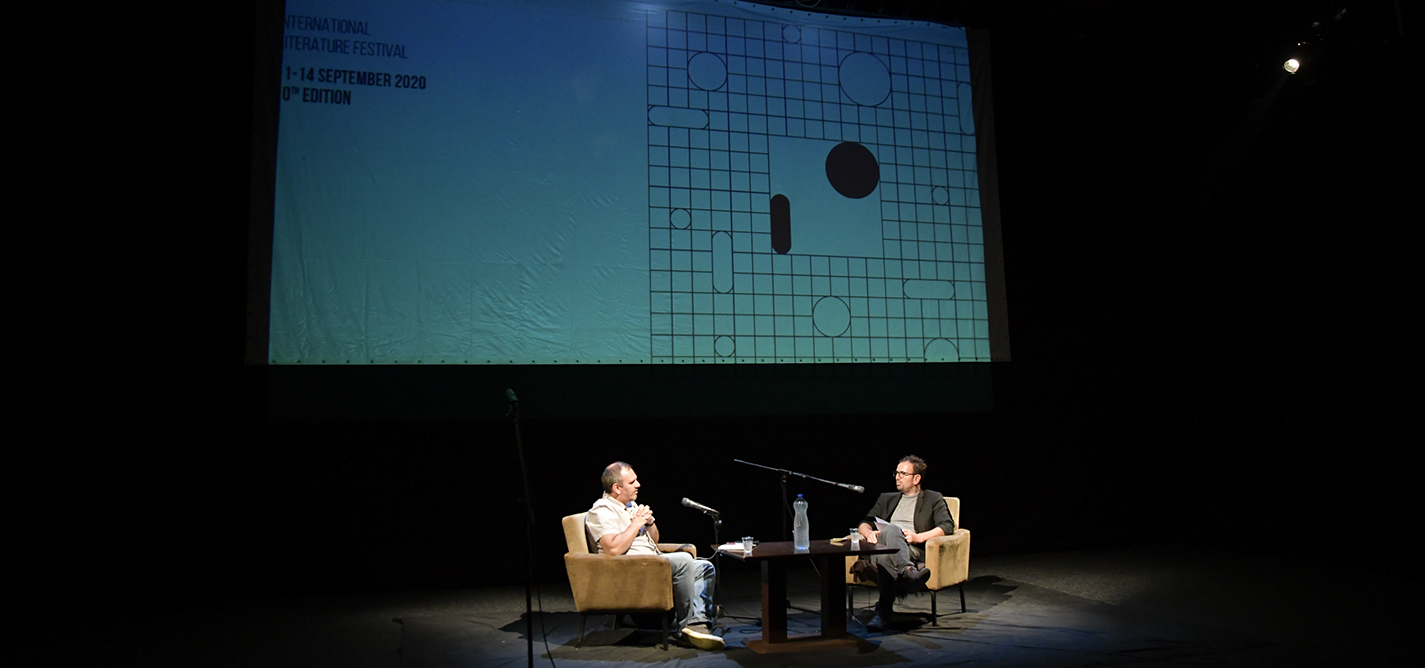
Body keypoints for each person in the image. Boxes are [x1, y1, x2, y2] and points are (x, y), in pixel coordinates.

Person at [585, 461, 723, 650]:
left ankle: (697, 622)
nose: (638, 485)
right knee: (684, 560)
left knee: (704, 567)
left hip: (651, 563)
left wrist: (648, 523)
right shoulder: (602, 510)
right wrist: (636, 523)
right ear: (616, 488)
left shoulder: (630, 505)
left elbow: (654, 541)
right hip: (629, 570)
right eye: (632, 482)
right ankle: (685, 627)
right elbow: (613, 549)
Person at [853, 454, 956, 632]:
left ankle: (882, 613)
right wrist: (868, 533)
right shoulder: (886, 498)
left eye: (903, 473)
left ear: (916, 479)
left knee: (887, 551)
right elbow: (865, 522)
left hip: (912, 549)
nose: (897, 477)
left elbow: (947, 526)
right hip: (884, 546)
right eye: (896, 473)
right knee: (892, 531)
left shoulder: (933, 498)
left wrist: (919, 537)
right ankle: (908, 572)